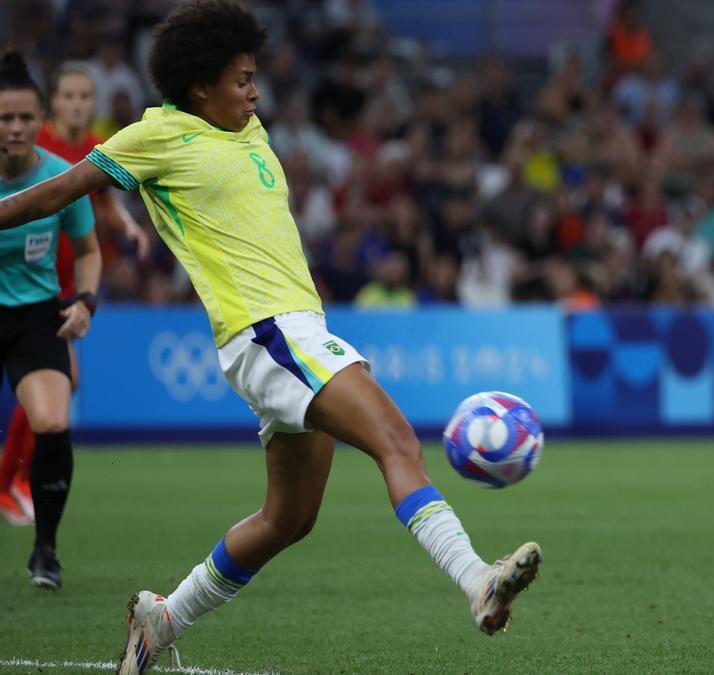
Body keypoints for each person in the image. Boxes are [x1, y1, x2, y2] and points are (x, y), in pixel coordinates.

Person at [0, 2, 540, 672]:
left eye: (254, 77)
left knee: (288, 518)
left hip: (296, 331)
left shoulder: (248, 128)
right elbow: (59, 191)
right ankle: (476, 579)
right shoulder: (156, 135)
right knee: (396, 439)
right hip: (266, 332)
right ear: (201, 87)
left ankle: (161, 618)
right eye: (241, 78)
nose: (254, 91)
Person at [0, 60, 149, 527]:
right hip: (31, 277)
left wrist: (127, 227)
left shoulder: (91, 149)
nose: (78, 104)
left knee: (62, 390)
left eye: (86, 96)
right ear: (53, 104)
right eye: (69, 96)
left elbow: (104, 200)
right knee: (63, 383)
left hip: (58, 287)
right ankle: (12, 482)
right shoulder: (31, 142)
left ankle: (13, 483)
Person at [0, 50, 101, 587]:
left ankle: (45, 550)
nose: (15, 127)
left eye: (24, 117)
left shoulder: (62, 178)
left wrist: (86, 300)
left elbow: (88, 248)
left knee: (54, 425)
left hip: (35, 318)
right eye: (4, 117)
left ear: (41, 120)